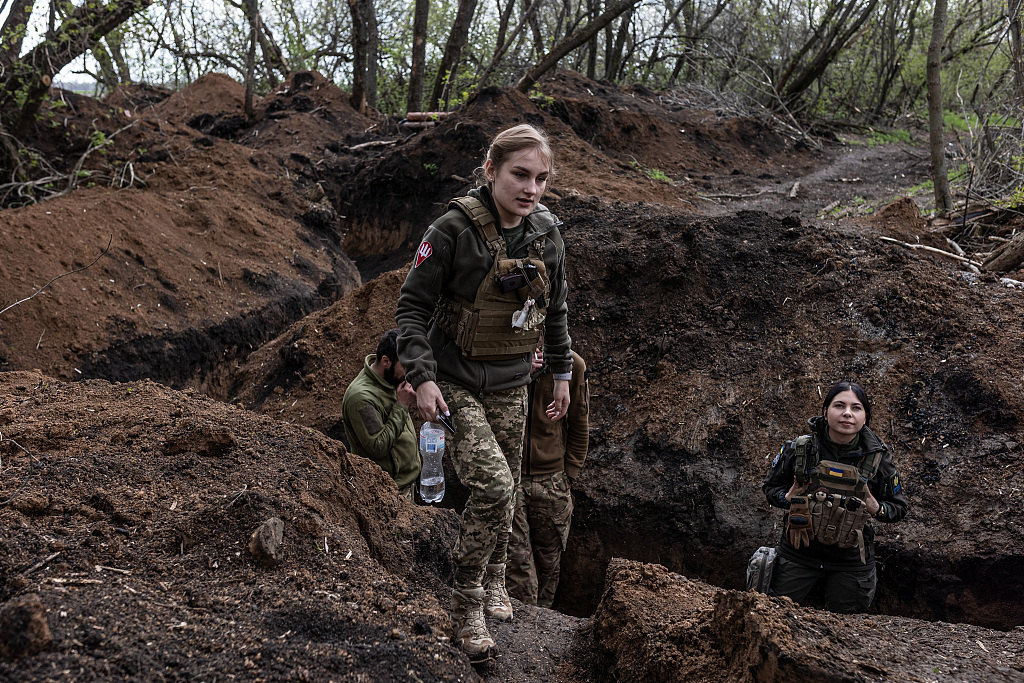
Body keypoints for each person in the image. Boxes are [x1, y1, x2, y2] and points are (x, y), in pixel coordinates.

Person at [396, 124, 573, 662]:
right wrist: (422, 377)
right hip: (456, 381)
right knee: (494, 487)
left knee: (512, 486)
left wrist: (561, 372)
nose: (531, 188)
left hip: (515, 380)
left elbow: (557, 310)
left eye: (541, 178)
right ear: (490, 170)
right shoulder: (452, 230)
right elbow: (411, 310)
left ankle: (497, 578)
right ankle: (466, 604)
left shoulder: (546, 234)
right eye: (520, 174)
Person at [762, 380, 908, 613]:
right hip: (799, 554)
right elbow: (770, 489)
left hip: (850, 562)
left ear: (865, 416)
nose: (847, 414)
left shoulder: (878, 459)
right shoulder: (800, 449)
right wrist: (787, 497)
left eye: (856, 408)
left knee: (847, 631)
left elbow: (898, 508)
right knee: (773, 615)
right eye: (839, 406)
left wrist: (876, 506)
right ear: (825, 411)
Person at [507, 343, 589, 608]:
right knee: (518, 566)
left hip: (552, 482)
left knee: (548, 564)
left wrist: (569, 474)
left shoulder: (573, 366)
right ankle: (521, 628)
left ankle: (542, 630)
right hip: (511, 477)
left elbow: (579, 422)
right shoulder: (505, 359)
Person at [341, 328, 420, 500]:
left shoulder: (390, 379)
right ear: (386, 361)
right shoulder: (361, 398)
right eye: (405, 365)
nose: (409, 372)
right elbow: (378, 445)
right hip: (388, 493)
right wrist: (402, 405)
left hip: (407, 483)